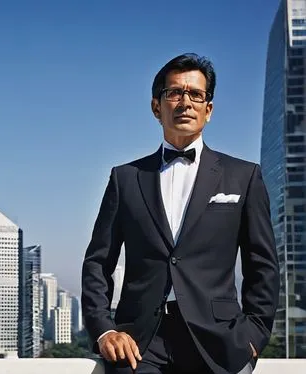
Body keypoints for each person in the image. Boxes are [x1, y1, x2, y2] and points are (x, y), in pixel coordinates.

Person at [80, 53, 280, 374]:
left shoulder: (244, 176)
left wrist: (254, 333)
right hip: (139, 341)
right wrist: (105, 330)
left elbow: (263, 265)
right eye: (174, 93)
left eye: (196, 95)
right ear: (156, 107)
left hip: (219, 340)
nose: (185, 102)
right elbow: (97, 263)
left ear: (208, 110)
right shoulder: (125, 178)